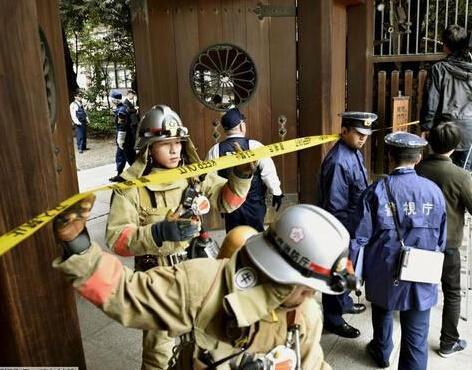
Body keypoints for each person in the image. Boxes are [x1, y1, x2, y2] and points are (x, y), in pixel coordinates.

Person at [54, 201, 360, 369]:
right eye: (306, 287)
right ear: (281, 275)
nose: (312, 296)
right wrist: (78, 245)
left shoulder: (305, 314)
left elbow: (311, 364)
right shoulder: (202, 284)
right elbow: (126, 294)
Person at [105, 104, 254, 369]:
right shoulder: (131, 188)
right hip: (157, 281)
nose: (175, 150)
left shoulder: (194, 176)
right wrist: (158, 232)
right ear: (148, 147)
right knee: (159, 355)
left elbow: (227, 202)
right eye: (165, 144)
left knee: (204, 345)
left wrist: (241, 176)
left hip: (197, 274)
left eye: (178, 142)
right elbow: (117, 238)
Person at [350, 131, 447, 369]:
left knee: (382, 308)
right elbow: (441, 239)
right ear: (419, 158)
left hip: (385, 268)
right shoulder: (433, 191)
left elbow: (360, 238)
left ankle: (382, 352)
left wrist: (353, 274)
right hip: (422, 271)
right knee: (416, 337)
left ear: (390, 157)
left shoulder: (376, 191)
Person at [317, 111, 377, 338]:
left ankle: (343, 302)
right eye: (359, 133)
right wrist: (345, 234)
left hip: (352, 224)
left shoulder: (353, 152)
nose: (363, 138)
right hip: (341, 226)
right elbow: (335, 206)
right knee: (337, 271)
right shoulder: (338, 161)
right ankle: (333, 318)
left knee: (347, 269)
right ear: (344, 131)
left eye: (366, 134)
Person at [416, 122, 472, 358]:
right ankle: (449, 341)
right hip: (448, 245)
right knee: (451, 292)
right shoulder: (460, 176)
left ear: (429, 141)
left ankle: (415, 336)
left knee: (418, 288)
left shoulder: (417, 169)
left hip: (418, 242)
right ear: (456, 146)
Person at [207, 107, 284, 232]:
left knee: (233, 236)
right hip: (254, 203)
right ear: (242, 126)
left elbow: (209, 178)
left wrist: (219, 202)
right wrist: (277, 192)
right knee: (255, 235)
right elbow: (268, 173)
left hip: (230, 203)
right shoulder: (255, 146)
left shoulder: (215, 150)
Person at [421, 24, 472, 170]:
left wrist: (426, 127)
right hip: (469, 129)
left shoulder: (438, 69)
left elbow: (431, 101)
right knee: (464, 174)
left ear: (445, 46)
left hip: (444, 129)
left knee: (439, 169)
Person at [109, 91, 137, 182]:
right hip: (125, 137)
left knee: (130, 157)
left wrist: (120, 139)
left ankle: (138, 173)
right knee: (120, 156)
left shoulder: (121, 110)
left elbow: (122, 126)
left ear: (114, 100)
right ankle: (120, 174)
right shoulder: (121, 108)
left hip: (125, 138)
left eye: (111, 98)